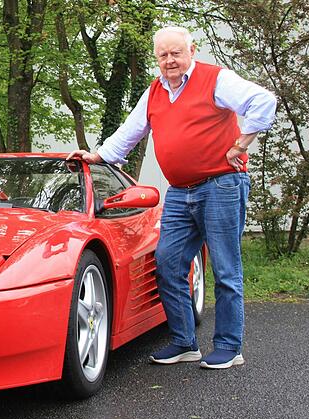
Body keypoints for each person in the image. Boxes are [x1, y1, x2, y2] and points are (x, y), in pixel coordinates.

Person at [67, 26, 276, 369]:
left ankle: (228, 347)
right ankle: (184, 342)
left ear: (191, 51)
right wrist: (98, 156)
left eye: (176, 53)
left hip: (221, 185)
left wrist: (241, 144)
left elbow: (263, 101)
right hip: (180, 192)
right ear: (157, 59)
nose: (170, 60)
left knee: (225, 269)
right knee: (167, 264)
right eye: (163, 55)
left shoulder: (215, 80)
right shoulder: (154, 93)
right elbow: (129, 132)